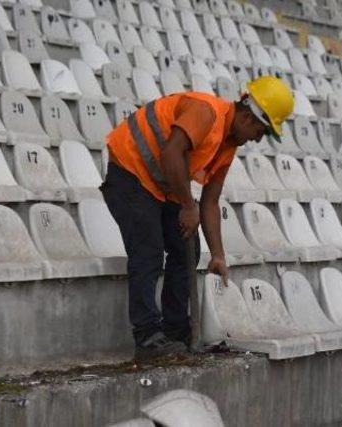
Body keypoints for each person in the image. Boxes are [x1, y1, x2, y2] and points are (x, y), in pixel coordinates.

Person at [100, 76, 295, 360]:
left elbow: (211, 201)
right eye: (261, 131)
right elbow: (170, 153)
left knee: (187, 247)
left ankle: (177, 332)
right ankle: (147, 338)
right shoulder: (206, 111)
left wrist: (218, 254)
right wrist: (186, 205)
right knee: (148, 250)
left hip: (159, 185)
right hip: (128, 171)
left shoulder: (228, 147)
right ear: (250, 115)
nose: (257, 138)